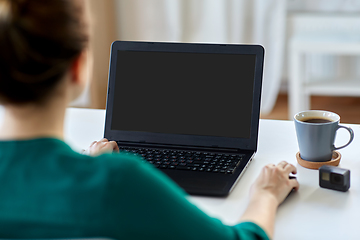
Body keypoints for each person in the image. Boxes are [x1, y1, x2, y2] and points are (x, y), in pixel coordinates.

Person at [0, 0, 299, 239]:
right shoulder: (115, 180)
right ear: (78, 68)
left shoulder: (99, 175)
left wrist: (90, 163)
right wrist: (266, 194)